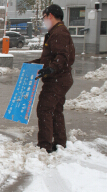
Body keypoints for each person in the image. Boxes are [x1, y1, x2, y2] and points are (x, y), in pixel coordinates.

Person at [28, 4, 75, 153]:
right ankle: (60, 143)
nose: (44, 20)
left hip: (57, 79)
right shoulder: (55, 32)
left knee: (44, 109)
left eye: (44, 17)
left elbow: (62, 57)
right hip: (59, 78)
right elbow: (49, 58)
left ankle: (44, 146)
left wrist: (51, 69)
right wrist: (32, 64)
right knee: (55, 110)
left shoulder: (59, 33)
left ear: (50, 16)